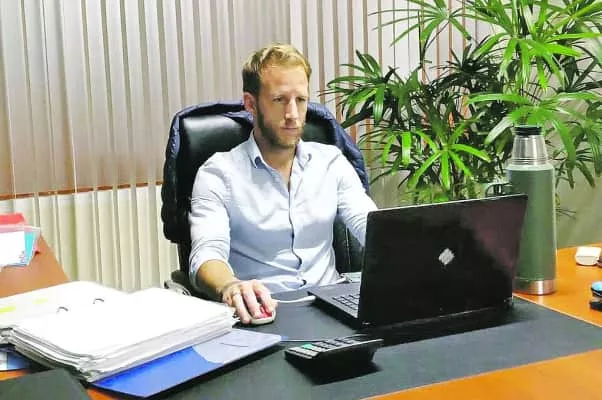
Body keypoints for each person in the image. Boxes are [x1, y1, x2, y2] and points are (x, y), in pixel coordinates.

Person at [188, 43, 377, 324]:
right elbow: (206, 254)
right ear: (251, 104)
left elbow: (371, 225)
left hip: (334, 310)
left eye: (300, 100)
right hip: (263, 314)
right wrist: (230, 286)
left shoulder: (331, 162)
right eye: (279, 100)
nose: (293, 114)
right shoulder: (218, 174)